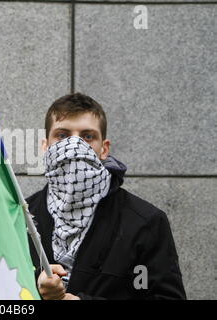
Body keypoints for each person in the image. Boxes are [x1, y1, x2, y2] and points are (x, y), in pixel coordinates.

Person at [27, 92, 186, 300]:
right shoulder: (21, 217)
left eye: (87, 136)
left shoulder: (145, 222)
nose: (75, 147)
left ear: (104, 149)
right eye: (63, 136)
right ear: (45, 147)